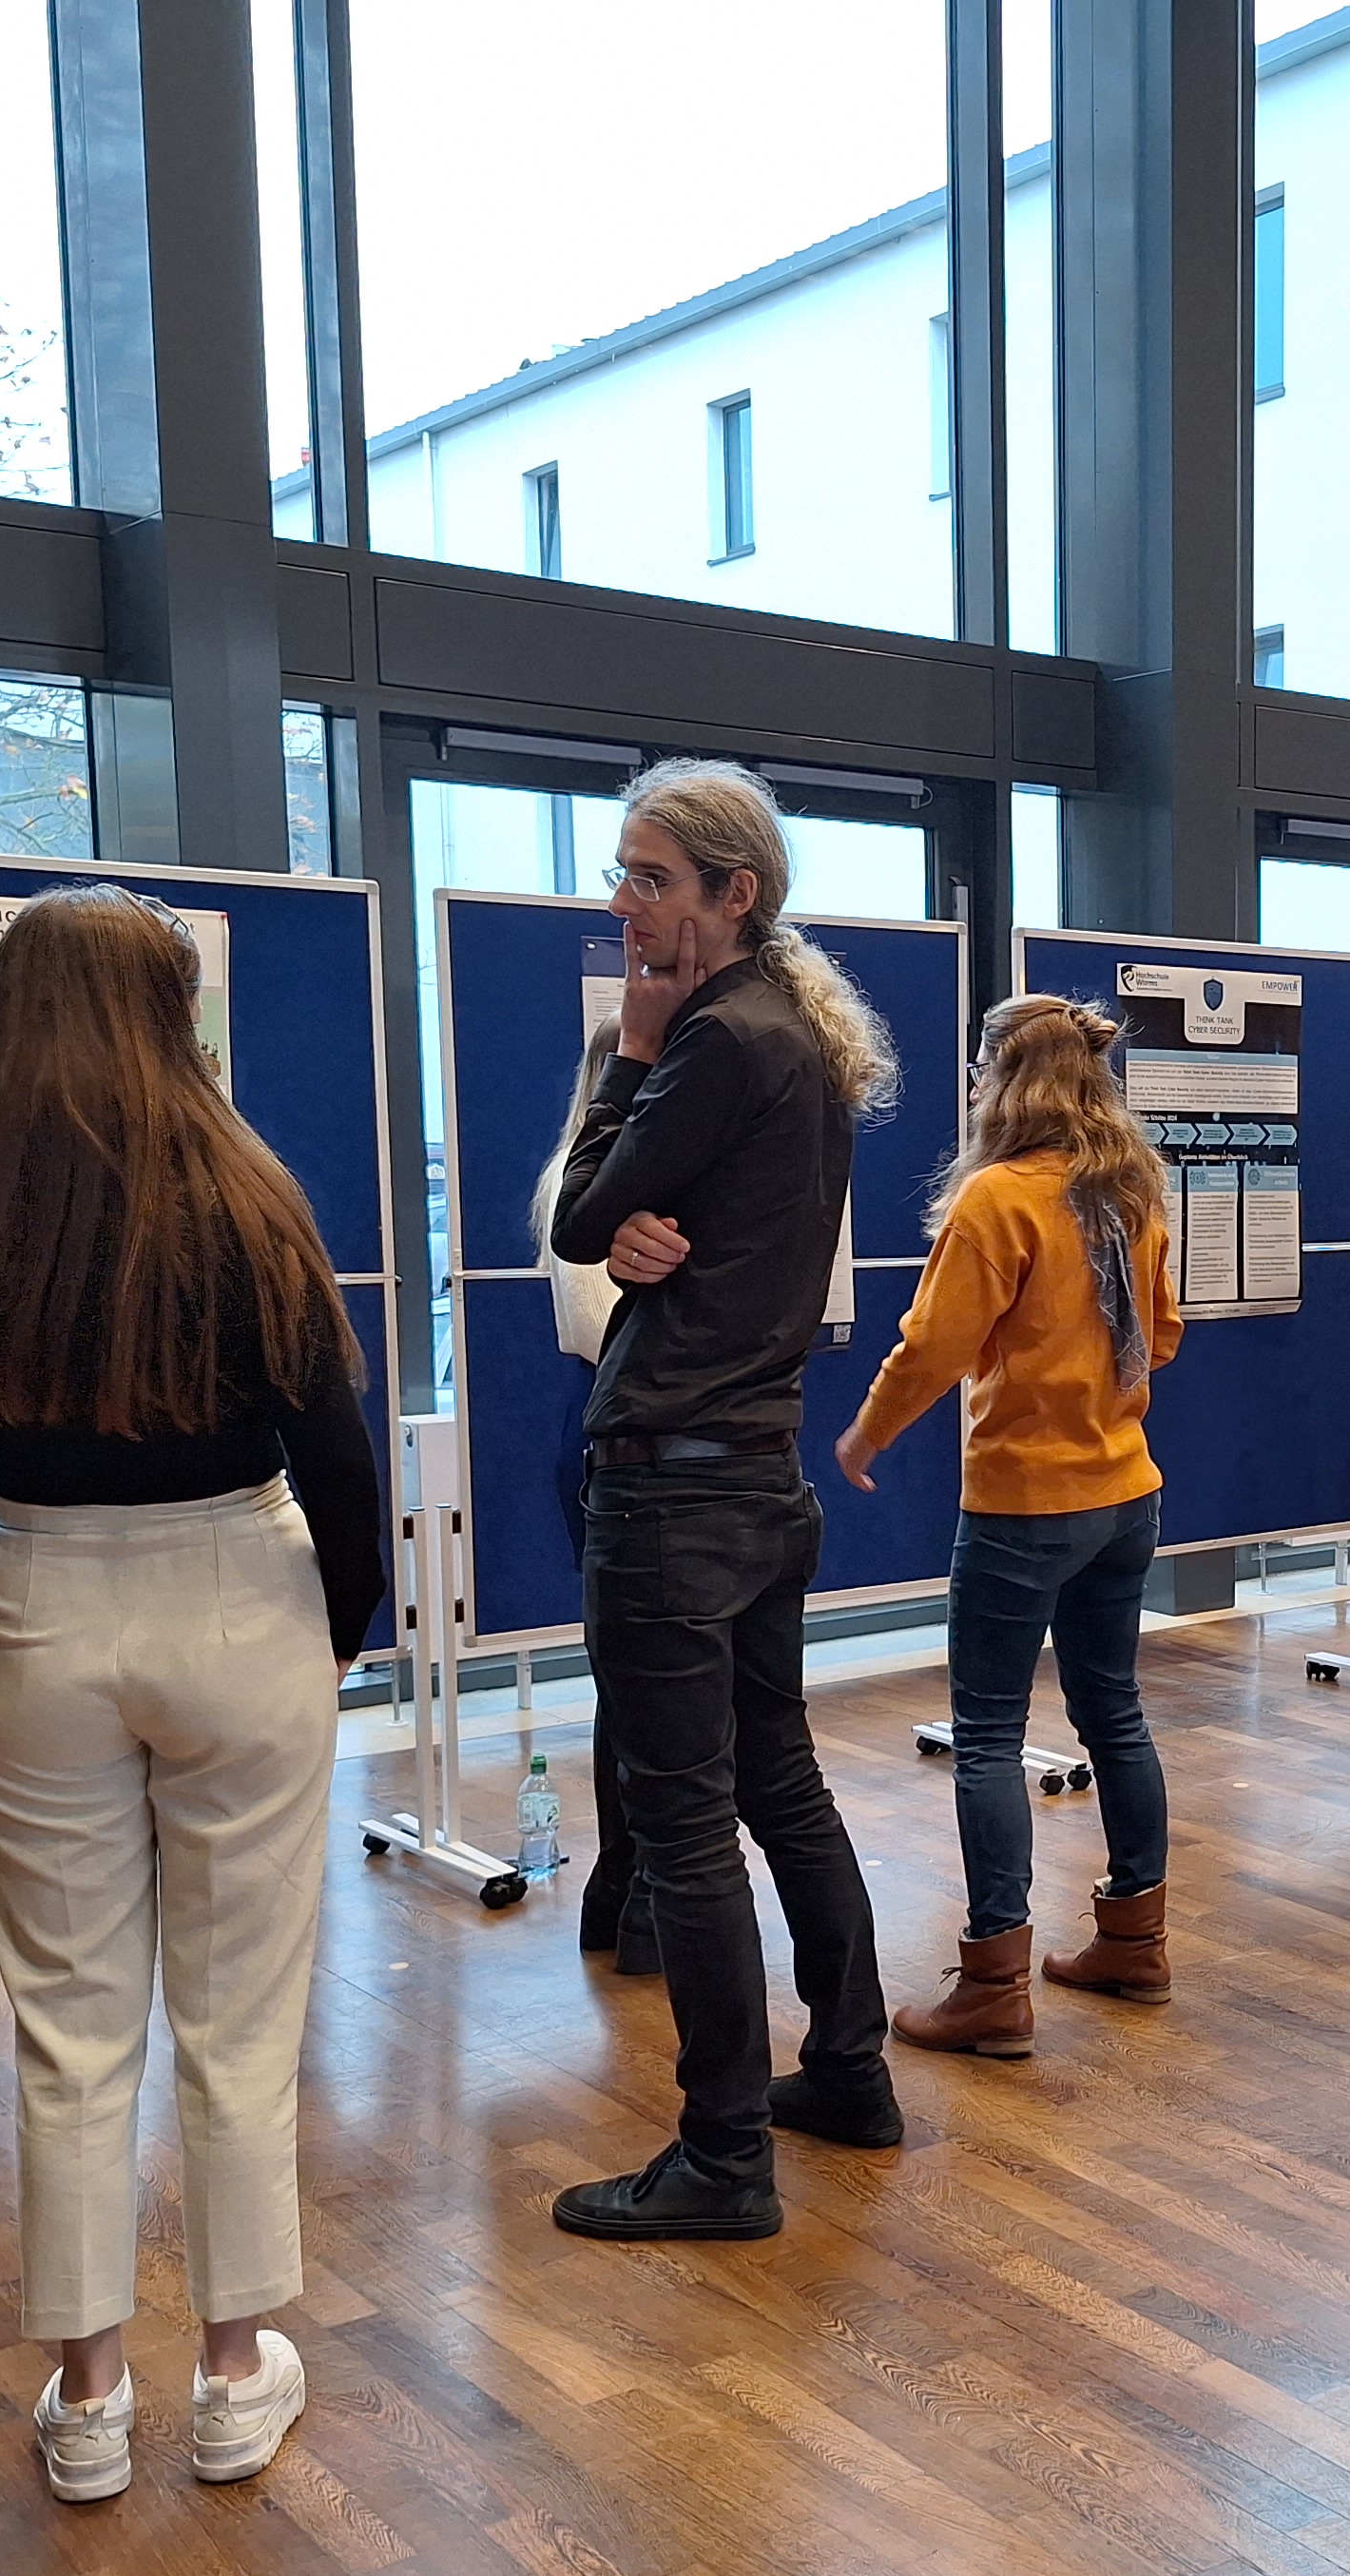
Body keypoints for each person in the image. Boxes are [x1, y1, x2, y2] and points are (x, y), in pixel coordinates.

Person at [0, 884, 386, 2498]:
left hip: (43, 1600)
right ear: (167, 1019)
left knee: (67, 2026)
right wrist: (335, 1627)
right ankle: (228, 2374)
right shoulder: (243, 1183)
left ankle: (84, 2401)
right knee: (240, 2020)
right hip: (242, 1600)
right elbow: (336, 1459)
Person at [544, 761, 898, 2237]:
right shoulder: (795, 1042)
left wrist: (629, 1051)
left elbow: (574, 1215)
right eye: (622, 873)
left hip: (675, 1489)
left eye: (646, 877)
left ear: (732, 894)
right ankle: (851, 2074)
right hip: (756, 1473)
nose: (619, 900)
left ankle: (724, 2161)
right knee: (777, 1780)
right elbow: (618, 1228)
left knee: (681, 1821)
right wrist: (632, 1218)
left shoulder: (710, 1041)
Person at [836, 995, 1182, 2053]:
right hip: (1126, 1492)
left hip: (1024, 1502)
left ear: (997, 1076)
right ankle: (1134, 1938)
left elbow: (932, 1348)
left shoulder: (997, 1198)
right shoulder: (1131, 1190)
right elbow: (1159, 1338)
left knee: (986, 1734)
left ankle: (994, 1983)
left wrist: (863, 1439)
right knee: (1111, 1709)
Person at [528, 1017, 646, 1966]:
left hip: (610, 1435)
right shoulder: (598, 1186)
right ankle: (633, 1894)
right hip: (620, 1440)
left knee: (634, 1682)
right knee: (641, 1685)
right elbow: (608, 1333)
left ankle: (623, 1891)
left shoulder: (592, 1175)